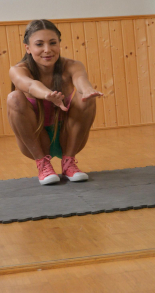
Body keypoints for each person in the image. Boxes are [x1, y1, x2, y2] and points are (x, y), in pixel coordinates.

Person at [8, 19, 103, 185]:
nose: (47, 50)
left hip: (67, 136)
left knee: (87, 98)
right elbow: (30, 85)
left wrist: (87, 89)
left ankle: (69, 163)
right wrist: (47, 94)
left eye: (53, 43)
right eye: (39, 44)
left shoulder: (72, 65)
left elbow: (81, 80)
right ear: (28, 48)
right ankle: (43, 164)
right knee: (13, 98)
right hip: (35, 139)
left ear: (59, 44)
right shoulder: (18, 70)